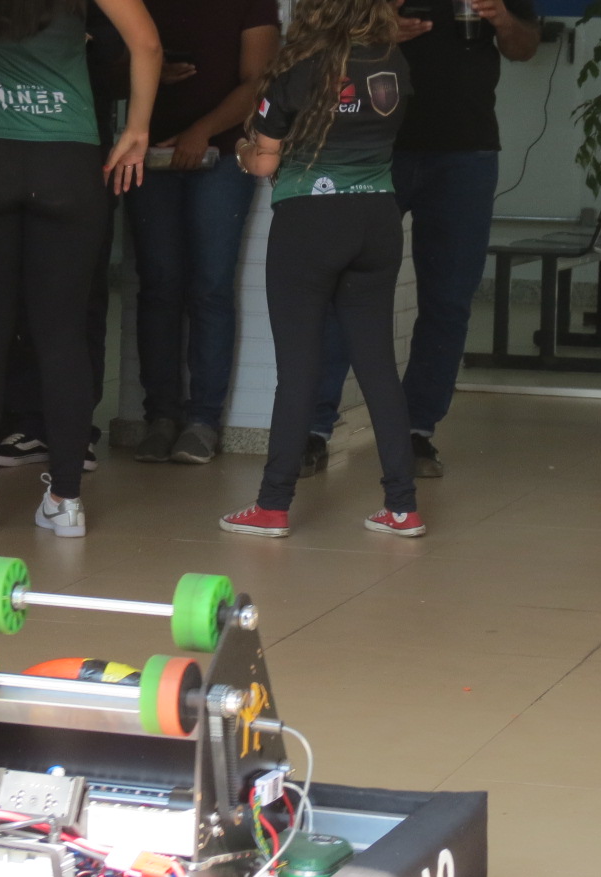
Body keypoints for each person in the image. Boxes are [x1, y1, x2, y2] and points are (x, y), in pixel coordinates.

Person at [0, 0, 161, 540]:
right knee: (62, 335)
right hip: (66, 156)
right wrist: (137, 128)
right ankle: (65, 502)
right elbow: (147, 43)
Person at [304, 0, 537, 478]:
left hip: (465, 150)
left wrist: (502, 19)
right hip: (373, 143)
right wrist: (377, 30)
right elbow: (318, 35)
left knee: (449, 299)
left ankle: (415, 430)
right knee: (346, 286)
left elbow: (524, 47)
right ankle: (312, 428)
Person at [221, 0, 423, 539]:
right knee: (378, 367)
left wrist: (242, 150)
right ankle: (402, 507)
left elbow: (264, 161)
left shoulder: (298, 67)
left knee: (298, 370)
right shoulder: (393, 61)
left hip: (310, 224)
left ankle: (272, 506)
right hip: (377, 220)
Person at [126, 0, 279, 466]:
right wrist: (153, 71)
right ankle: (161, 417)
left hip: (222, 156)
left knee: (210, 286)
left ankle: (203, 421)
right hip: (148, 152)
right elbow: (111, 61)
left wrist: (202, 131)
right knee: (158, 286)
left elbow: (259, 82)